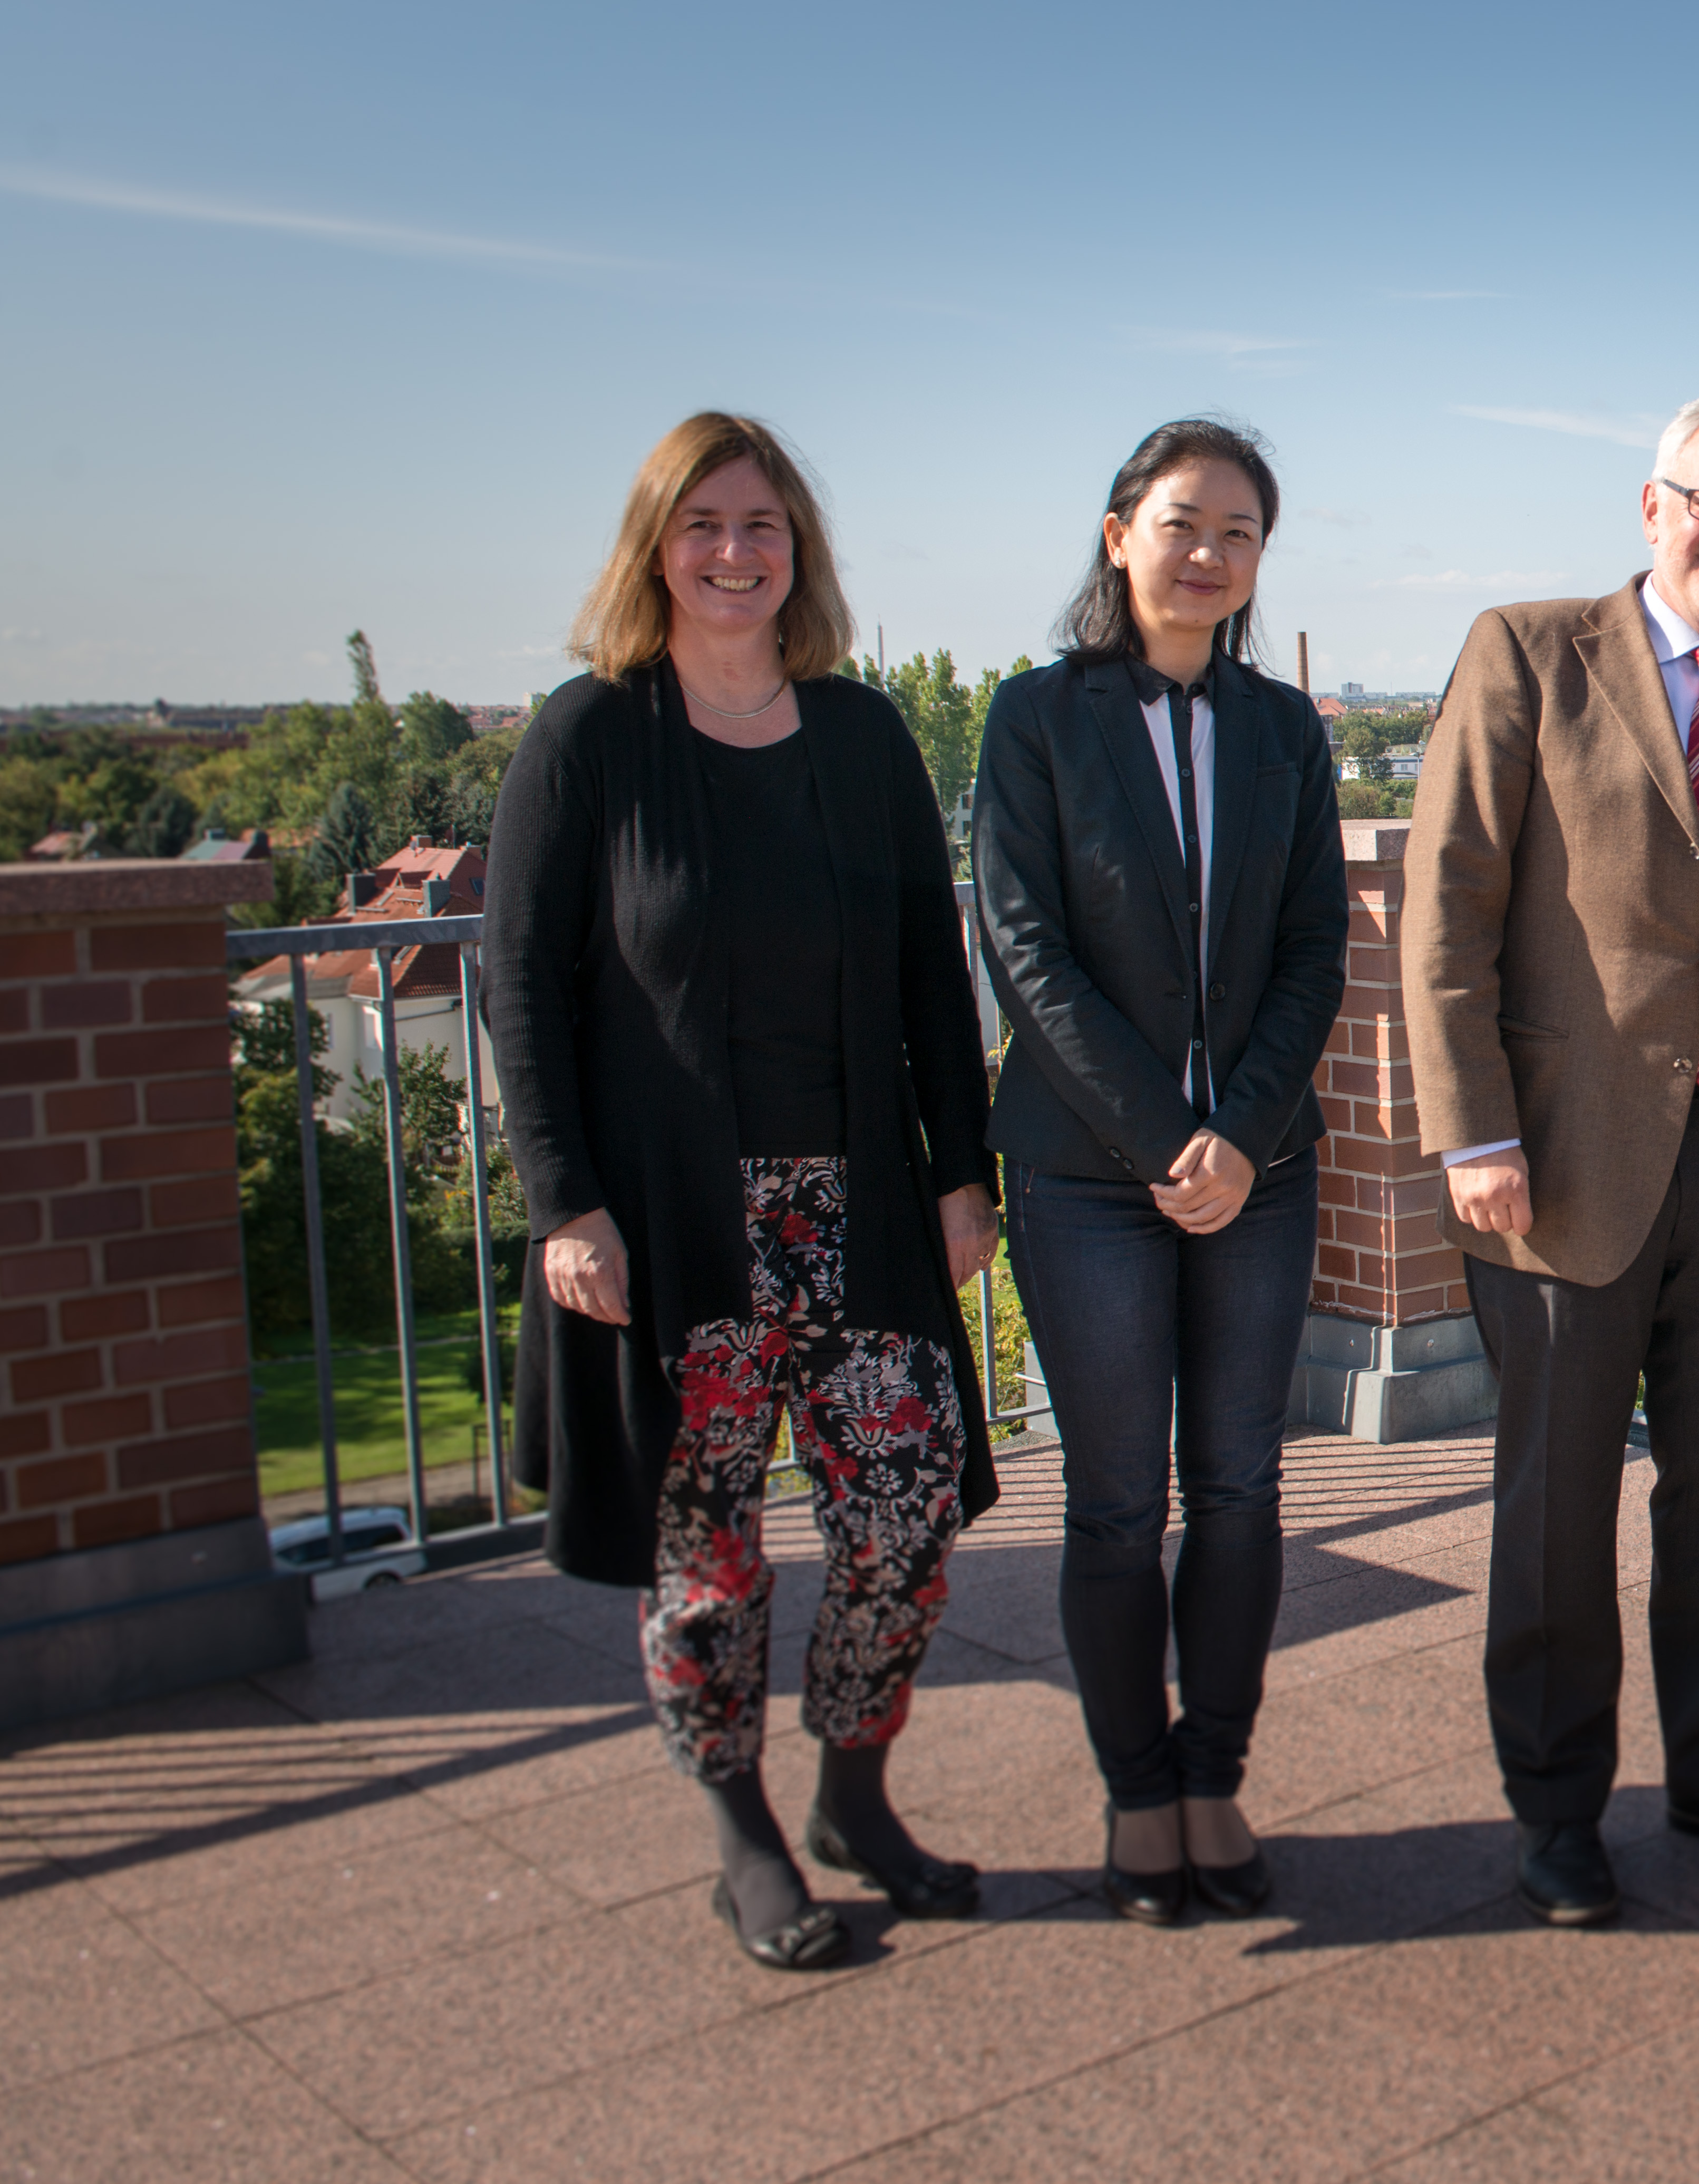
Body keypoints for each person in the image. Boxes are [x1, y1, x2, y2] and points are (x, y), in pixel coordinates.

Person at [486, 412, 1001, 1972]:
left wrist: (962, 1173)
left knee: (901, 1512)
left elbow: (930, 972)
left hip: (859, 1211)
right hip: (670, 1221)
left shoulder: (859, 740)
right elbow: (517, 986)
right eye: (703, 523)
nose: (734, 551)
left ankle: (855, 1793)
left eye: (762, 525)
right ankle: (744, 1838)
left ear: (801, 554)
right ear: (659, 547)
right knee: (703, 1558)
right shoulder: (588, 737)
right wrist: (565, 1203)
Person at [1403, 393, 1699, 1927]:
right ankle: (1557, 1807)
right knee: (1556, 1510)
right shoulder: (1530, 654)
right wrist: (1471, 1127)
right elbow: (1450, 907)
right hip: (1559, 1157)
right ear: (1652, 503)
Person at [971, 419, 1346, 1926]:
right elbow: (1024, 948)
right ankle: (1138, 1797)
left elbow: (1319, 948)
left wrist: (1240, 1133)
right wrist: (1163, 1136)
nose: (1209, 552)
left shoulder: (1283, 729)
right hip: (1088, 1177)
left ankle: (1214, 1778)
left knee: (1244, 1488)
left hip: (1259, 1176)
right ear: (1121, 532)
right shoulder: (1036, 719)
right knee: (1120, 1504)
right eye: (1183, 522)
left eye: (1239, 531)